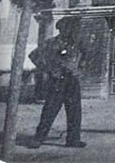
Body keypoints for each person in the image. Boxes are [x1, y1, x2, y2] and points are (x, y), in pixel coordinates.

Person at [27, 17, 87, 149]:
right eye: (69, 28)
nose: (72, 31)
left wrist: (79, 69)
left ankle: (73, 140)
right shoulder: (51, 43)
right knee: (50, 110)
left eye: (73, 29)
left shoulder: (77, 44)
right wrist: (50, 70)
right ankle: (38, 139)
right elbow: (33, 56)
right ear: (62, 29)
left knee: (74, 112)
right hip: (57, 82)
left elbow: (85, 57)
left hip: (72, 81)